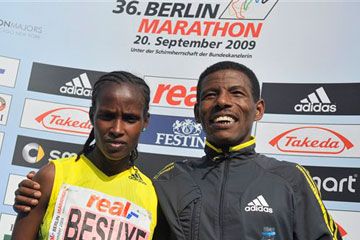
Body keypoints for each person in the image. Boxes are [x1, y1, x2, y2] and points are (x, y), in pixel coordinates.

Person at [14, 62, 342, 240]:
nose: (223, 101)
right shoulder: (166, 183)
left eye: (236, 93)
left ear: (258, 109)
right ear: (198, 112)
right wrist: (35, 194)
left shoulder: (290, 179)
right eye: (211, 94)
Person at [11, 71, 158, 239]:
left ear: (145, 121)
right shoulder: (52, 176)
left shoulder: (151, 195)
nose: (117, 129)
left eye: (130, 119)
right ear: (91, 115)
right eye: (107, 116)